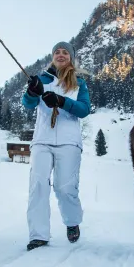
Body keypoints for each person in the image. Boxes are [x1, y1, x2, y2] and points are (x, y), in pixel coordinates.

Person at [22, 41, 91, 251]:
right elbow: (28, 104)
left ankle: (72, 222)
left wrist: (62, 102)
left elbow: (84, 109)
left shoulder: (79, 82)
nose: (61, 55)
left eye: (65, 52)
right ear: (52, 57)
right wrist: (32, 93)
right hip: (42, 140)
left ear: (71, 57)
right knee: (38, 185)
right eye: (57, 52)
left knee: (65, 187)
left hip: (69, 142)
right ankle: (38, 235)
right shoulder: (41, 80)